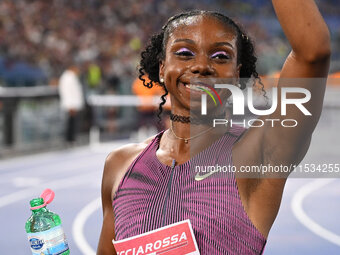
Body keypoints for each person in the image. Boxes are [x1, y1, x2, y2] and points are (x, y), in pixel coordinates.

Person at [97, 1, 331, 254]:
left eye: (220, 56)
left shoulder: (259, 152)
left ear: (236, 74)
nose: (201, 66)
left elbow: (312, 54)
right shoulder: (120, 165)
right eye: (185, 53)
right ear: (163, 68)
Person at [58, 64, 85, 143]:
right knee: (70, 122)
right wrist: (70, 104)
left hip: (73, 104)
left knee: (73, 121)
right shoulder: (67, 77)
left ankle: (72, 138)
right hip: (71, 104)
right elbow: (67, 92)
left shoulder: (71, 77)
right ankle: (69, 139)